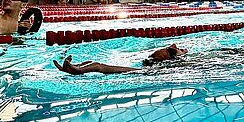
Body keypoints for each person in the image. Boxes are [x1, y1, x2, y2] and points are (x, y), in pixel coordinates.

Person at [54, 44, 187, 75]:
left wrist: (182, 52)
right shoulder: (168, 54)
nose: (175, 45)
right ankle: (72, 67)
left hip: (143, 71)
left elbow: (177, 55)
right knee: (90, 62)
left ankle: (77, 70)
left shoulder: (173, 58)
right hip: (146, 67)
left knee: (98, 66)